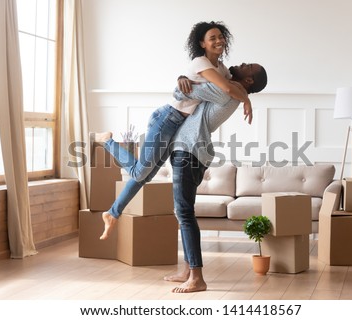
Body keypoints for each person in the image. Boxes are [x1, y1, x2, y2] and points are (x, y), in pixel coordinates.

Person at [95, 21, 253, 240]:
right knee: (141, 172)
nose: (218, 41)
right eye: (212, 38)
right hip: (167, 118)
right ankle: (108, 142)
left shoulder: (222, 69)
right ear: (202, 44)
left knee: (145, 176)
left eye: (220, 37)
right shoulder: (201, 62)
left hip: (179, 126)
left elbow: (231, 86)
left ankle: (112, 214)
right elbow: (227, 90)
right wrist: (246, 100)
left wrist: (243, 96)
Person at [164, 63, 268, 293]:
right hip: (189, 151)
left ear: (249, 81)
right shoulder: (230, 90)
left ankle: (197, 278)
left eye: (247, 66)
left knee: (184, 213)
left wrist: (183, 78)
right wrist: (184, 77)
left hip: (189, 151)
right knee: (183, 212)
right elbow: (190, 87)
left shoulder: (226, 90)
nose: (240, 64)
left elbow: (182, 91)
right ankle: (187, 270)